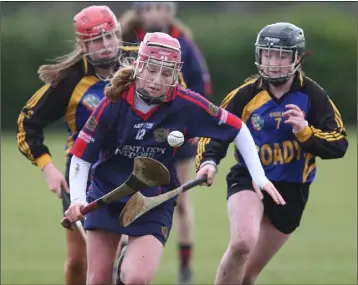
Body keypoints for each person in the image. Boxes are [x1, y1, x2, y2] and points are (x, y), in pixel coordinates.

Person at [64, 32, 285, 285]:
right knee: (98, 280)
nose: (158, 80)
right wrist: (78, 199)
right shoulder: (113, 102)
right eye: (152, 70)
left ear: (176, 73)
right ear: (139, 66)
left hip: (152, 201)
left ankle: (127, 265)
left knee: (136, 278)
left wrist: (259, 176)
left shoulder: (185, 104)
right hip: (106, 197)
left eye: (167, 73)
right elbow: (81, 156)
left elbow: (238, 128)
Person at [195, 22, 349, 285]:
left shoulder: (313, 96)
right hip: (248, 179)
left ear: (297, 58)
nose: (274, 62)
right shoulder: (245, 95)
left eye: (281, 55)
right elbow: (214, 131)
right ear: (259, 56)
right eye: (268, 54)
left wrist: (305, 132)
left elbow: (339, 143)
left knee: (248, 274)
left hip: (292, 190)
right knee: (242, 243)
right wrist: (208, 161)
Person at [16, 5, 125, 285]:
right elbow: (27, 124)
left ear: (118, 34)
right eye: (96, 41)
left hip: (130, 169)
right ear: (83, 44)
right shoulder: (70, 80)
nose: (105, 46)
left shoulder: (138, 65)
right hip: (83, 173)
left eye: (110, 37)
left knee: (118, 252)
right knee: (79, 260)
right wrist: (48, 168)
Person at [118, 3, 213, 283]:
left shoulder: (184, 44)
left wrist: (190, 125)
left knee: (180, 200)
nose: (156, 13)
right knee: (129, 196)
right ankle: (123, 260)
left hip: (175, 136)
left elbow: (202, 90)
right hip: (137, 134)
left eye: (162, 6)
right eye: (150, 7)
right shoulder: (128, 40)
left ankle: (185, 269)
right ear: (140, 11)